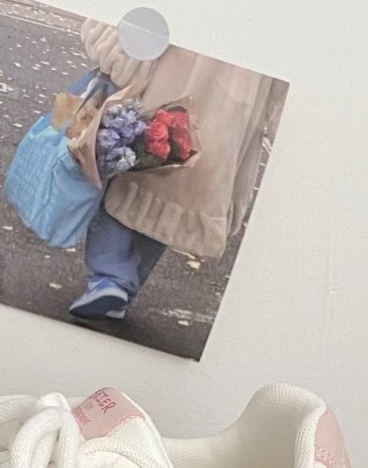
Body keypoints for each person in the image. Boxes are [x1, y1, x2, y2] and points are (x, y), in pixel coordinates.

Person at [68, 20, 285, 322]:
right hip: (233, 108)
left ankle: (110, 278)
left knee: (127, 164)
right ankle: (121, 287)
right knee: (176, 195)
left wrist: (122, 49)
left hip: (171, 72)